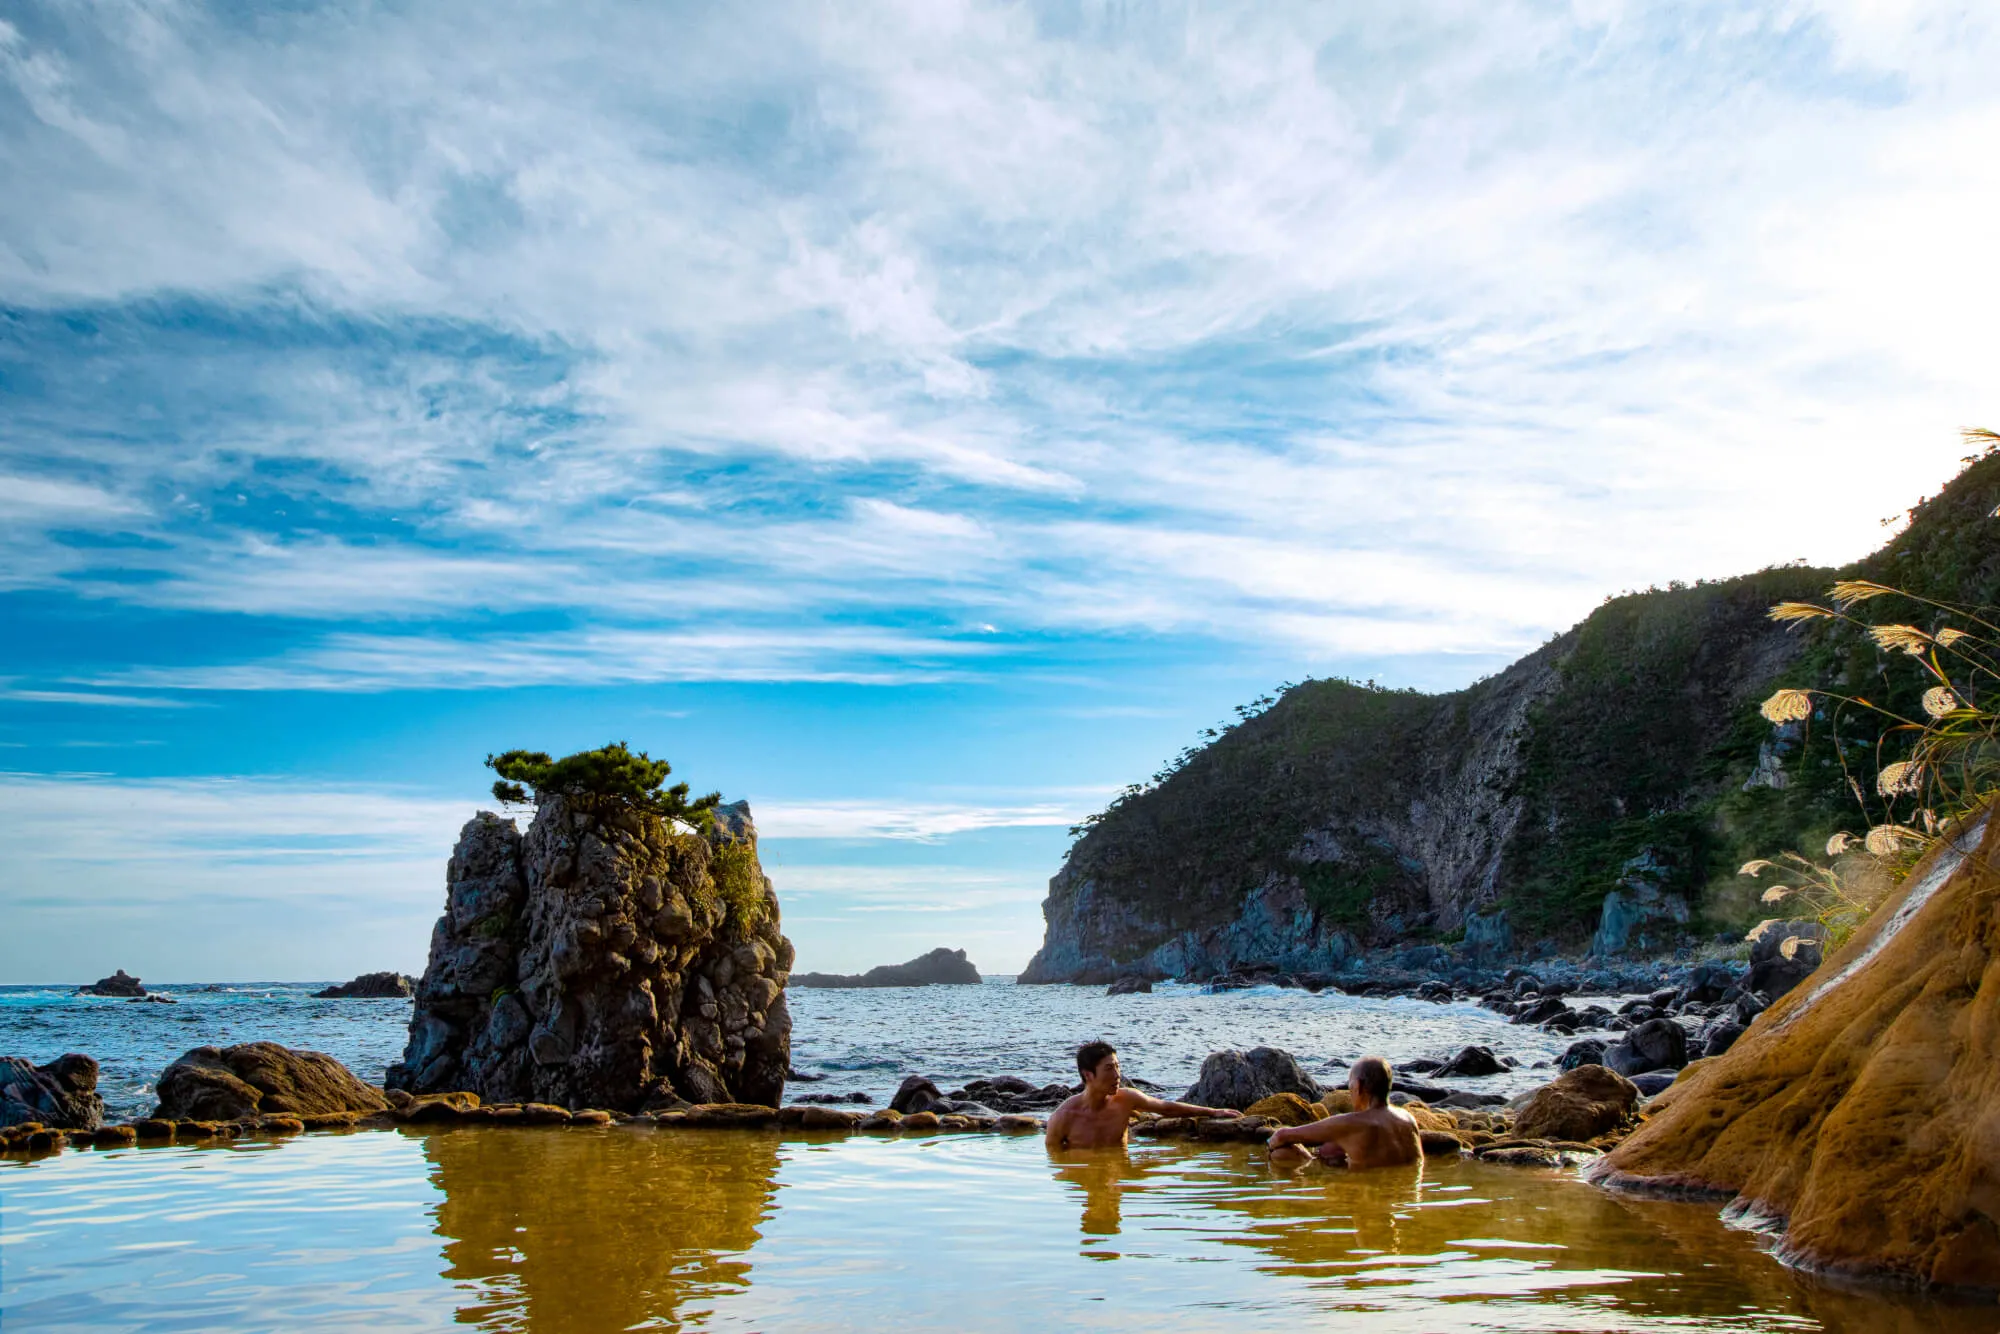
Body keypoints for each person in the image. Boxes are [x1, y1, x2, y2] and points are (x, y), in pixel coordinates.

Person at [1044, 1040, 1241, 1150]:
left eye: (1118, 1067)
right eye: (1109, 1069)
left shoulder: (1125, 1099)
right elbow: (1056, 1161)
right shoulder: (1063, 1118)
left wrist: (1214, 1112)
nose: (1117, 1075)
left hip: (1119, 1178)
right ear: (1088, 1075)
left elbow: (1166, 1108)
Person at [1264, 1055, 1421, 1170]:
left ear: (1358, 1086)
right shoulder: (1408, 1118)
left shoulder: (1352, 1123)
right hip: (1401, 1198)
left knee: (1280, 1153)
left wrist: (1270, 1147)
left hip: (1365, 1197)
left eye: (1350, 1085)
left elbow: (1282, 1136)